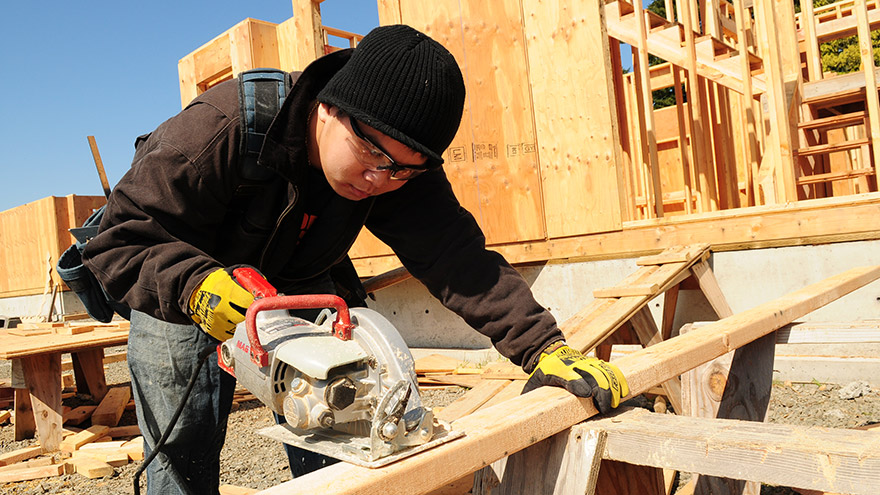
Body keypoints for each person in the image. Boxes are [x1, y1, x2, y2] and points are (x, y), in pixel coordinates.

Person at [82, 24, 628, 494]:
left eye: (403, 170)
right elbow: (118, 240)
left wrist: (543, 346)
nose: (379, 178)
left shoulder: (396, 160)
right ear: (329, 108)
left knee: (343, 429)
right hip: (180, 281)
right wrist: (193, 287)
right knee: (181, 448)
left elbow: (457, 257)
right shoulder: (220, 127)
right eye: (371, 154)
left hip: (302, 282)